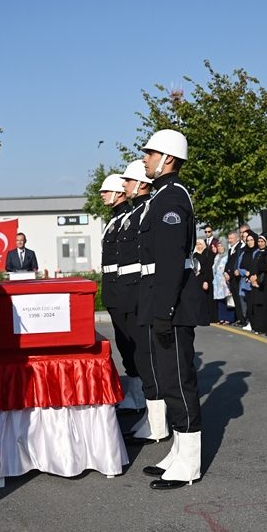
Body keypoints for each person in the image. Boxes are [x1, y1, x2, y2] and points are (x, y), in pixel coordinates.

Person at [136, 129, 206, 489]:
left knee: (179, 381)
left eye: (150, 153)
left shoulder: (172, 197)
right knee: (168, 380)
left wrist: (164, 311)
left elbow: (169, 261)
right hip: (162, 301)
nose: (145, 158)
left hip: (172, 305)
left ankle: (190, 463)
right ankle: (178, 451)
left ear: (168, 159)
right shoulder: (162, 196)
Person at [119, 159, 167, 445]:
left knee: (149, 359)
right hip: (134, 293)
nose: (124, 185)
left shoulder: (150, 208)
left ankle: (158, 424)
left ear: (140, 184)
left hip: (143, 292)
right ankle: (152, 417)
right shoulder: (137, 212)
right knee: (141, 357)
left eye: (128, 180)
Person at [98, 172, 141, 414]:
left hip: (126, 289)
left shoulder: (129, 218)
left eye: (106, 191)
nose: (102, 194)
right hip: (114, 289)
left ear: (119, 193)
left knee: (132, 343)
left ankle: (140, 396)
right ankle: (135, 394)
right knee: (124, 343)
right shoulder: (114, 220)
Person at [212, 241, 232, 324]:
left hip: (225, 281)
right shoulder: (217, 257)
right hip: (217, 282)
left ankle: (229, 318)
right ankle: (221, 317)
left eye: (221, 246)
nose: (220, 248)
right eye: (218, 246)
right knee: (220, 300)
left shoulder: (227, 256)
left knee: (227, 299)